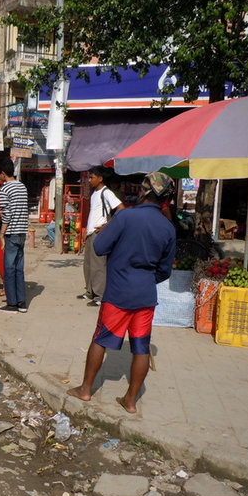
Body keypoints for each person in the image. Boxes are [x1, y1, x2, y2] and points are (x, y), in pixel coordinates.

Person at [67, 172, 176, 414]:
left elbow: (99, 246)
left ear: (143, 191)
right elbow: (165, 271)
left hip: (118, 293)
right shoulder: (167, 228)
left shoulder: (126, 216)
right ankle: (131, 401)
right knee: (141, 347)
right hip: (146, 296)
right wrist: (145, 279)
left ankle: (86, 389)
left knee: (100, 340)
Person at [78, 166, 125, 307]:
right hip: (91, 233)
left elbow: (121, 209)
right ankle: (89, 291)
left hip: (99, 234)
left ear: (100, 178)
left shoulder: (107, 193)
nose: (90, 180)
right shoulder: (94, 193)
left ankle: (100, 296)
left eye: (92, 177)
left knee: (98, 265)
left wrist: (107, 225)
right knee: (88, 265)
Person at [0, 156, 29, 314]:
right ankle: (21, 302)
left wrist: (2, 233)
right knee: (19, 268)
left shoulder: (4, 189)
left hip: (11, 232)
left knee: (9, 268)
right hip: (22, 231)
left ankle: (11, 304)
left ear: (3, 173)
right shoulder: (22, 186)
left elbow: (7, 214)